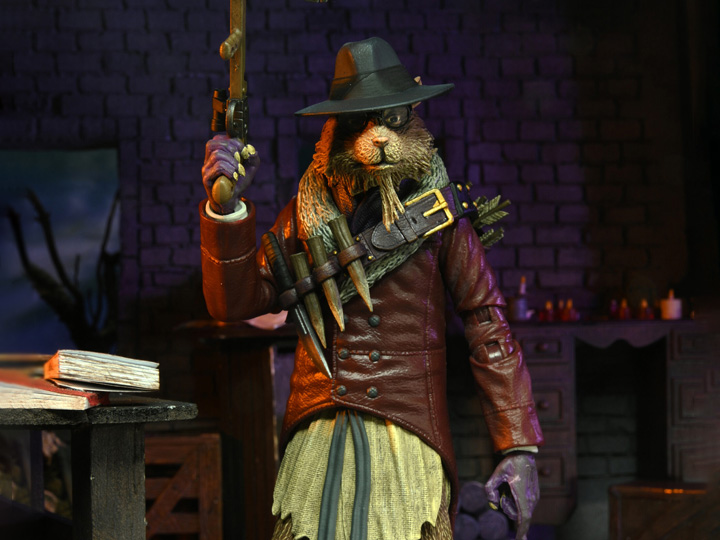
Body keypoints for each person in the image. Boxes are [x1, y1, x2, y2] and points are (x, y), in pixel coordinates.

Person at [199, 36, 543, 540]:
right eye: (359, 120)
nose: (377, 136)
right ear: (335, 128)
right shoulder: (306, 211)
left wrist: (518, 447)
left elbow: (486, 324)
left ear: (412, 116)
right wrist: (226, 208)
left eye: (392, 117)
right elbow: (233, 304)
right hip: (320, 420)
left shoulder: (443, 216)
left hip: (408, 426)